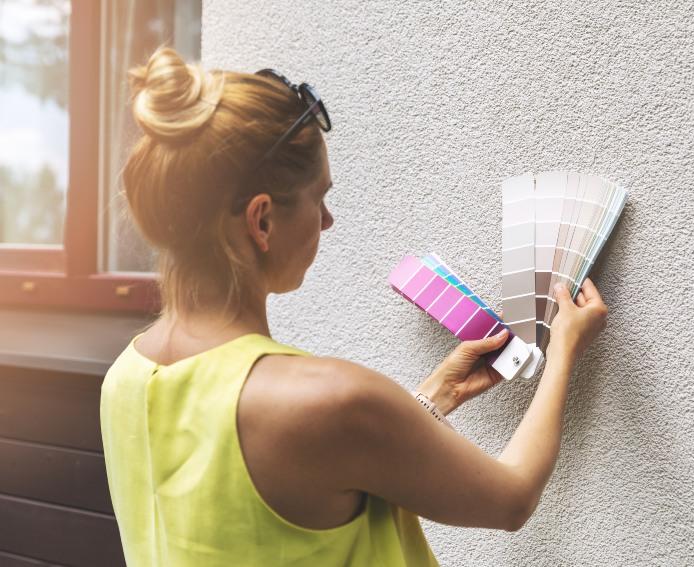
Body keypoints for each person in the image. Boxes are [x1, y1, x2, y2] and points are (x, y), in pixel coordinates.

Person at [100, 45, 609, 567]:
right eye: (318, 198)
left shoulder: (124, 379)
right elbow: (512, 497)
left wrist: (437, 395)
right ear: (262, 221)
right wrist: (564, 347)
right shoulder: (329, 401)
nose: (327, 221)